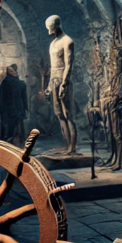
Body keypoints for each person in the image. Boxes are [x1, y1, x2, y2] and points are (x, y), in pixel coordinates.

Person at [45, 15, 77, 155]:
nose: (51, 32)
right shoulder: (53, 43)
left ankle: (72, 147)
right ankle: (67, 144)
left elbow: (68, 65)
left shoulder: (67, 41)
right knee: (59, 114)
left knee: (68, 114)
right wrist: (49, 86)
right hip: (54, 80)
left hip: (64, 81)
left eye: (52, 29)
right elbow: (52, 67)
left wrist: (64, 84)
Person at [0, 64, 28, 144]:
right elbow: (24, 98)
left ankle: (10, 140)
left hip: (8, 110)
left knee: (10, 128)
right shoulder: (21, 83)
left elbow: (0, 97)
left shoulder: (6, 82)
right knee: (17, 127)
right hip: (16, 109)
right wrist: (26, 108)